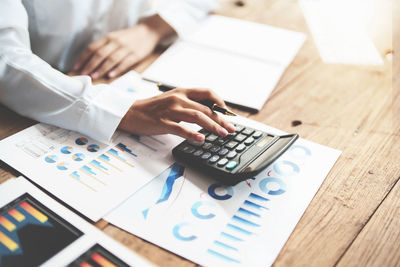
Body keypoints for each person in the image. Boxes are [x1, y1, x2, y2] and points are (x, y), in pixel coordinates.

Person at [0, 0, 235, 143]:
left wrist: (152, 28)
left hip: (135, 65)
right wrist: (121, 111)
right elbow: (5, 58)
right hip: (34, 99)